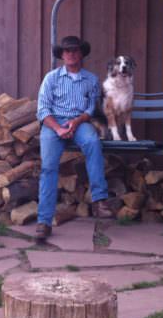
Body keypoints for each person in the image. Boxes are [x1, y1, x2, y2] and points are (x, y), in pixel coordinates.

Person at [35, 36, 113, 240]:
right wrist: (58, 129)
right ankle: (44, 221)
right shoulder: (51, 78)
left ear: (81, 54)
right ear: (61, 55)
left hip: (80, 122)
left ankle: (99, 200)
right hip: (53, 124)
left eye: (75, 50)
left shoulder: (91, 79)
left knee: (93, 142)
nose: (71, 54)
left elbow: (92, 108)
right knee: (48, 168)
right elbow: (42, 110)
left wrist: (76, 123)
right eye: (67, 51)